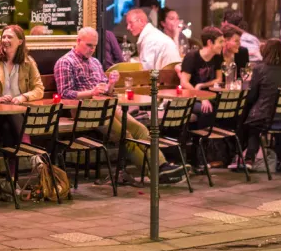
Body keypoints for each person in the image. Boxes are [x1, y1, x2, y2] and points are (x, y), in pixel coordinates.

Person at [54, 27, 184, 182]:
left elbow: (107, 92)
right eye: (89, 45)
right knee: (124, 135)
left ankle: (162, 166)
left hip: (106, 106)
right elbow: (65, 93)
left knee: (140, 129)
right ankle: (154, 172)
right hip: (85, 110)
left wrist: (111, 84)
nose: (92, 49)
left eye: (94, 46)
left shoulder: (95, 62)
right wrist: (91, 92)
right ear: (78, 41)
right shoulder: (65, 62)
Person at [0, 25, 44, 176]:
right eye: (3, 37)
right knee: (9, 112)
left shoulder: (28, 62)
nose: (5, 40)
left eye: (9, 37)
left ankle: (11, 180)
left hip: (19, 113)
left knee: (9, 130)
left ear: (20, 41)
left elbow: (39, 89)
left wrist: (22, 97)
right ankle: (31, 153)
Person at [243, 39, 281, 172]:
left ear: (265, 52)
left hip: (265, 117)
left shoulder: (259, 69)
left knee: (254, 126)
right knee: (276, 122)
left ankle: (249, 159)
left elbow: (252, 96)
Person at [180, 26, 224, 117]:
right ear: (210, 43)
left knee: (227, 105)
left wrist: (201, 85)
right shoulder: (192, 57)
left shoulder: (218, 57)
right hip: (191, 96)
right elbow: (184, 83)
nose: (223, 45)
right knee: (207, 110)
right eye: (220, 42)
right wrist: (201, 97)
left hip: (209, 95)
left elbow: (219, 79)